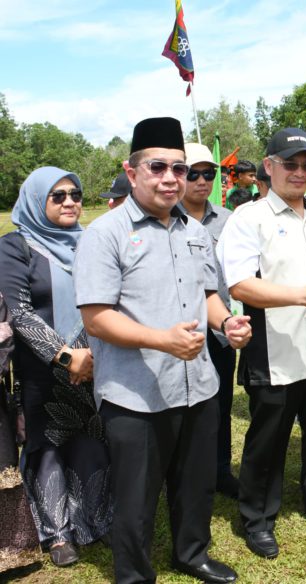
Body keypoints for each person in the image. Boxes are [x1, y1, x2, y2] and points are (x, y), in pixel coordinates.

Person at [74, 117, 251, 584]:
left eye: (179, 167)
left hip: (198, 386)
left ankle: (192, 553)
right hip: (136, 393)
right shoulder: (105, 234)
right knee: (137, 495)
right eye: (159, 167)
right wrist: (162, 341)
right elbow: (96, 318)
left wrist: (226, 323)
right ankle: (133, 574)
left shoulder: (194, 230)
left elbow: (209, 294)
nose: (171, 178)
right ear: (132, 173)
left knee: (196, 484)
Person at [216, 127, 306, 560]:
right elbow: (241, 286)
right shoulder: (249, 218)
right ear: (269, 166)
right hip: (275, 349)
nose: (299, 173)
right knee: (269, 436)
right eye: (290, 164)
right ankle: (258, 517)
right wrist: (300, 295)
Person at [0, 167, 113, 567]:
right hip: (42, 370)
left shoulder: (91, 241)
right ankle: (57, 532)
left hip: (97, 364)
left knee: (91, 437)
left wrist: (93, 356)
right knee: (46, 445)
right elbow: (20, 312)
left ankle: (93, 519)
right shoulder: (16, 247)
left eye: (76, 194)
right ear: (35, 201)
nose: (70, 202)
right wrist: (67, 356)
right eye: (58, 196)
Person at [178, 142, 240, 499]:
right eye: (193, 173)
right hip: (177, 333)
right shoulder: (166, 219)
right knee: (182, 411)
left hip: (219, 331)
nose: (202, 181)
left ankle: (220, 470)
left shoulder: (228, 220)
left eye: (209, 173)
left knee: (219, 405)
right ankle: (185, 475)